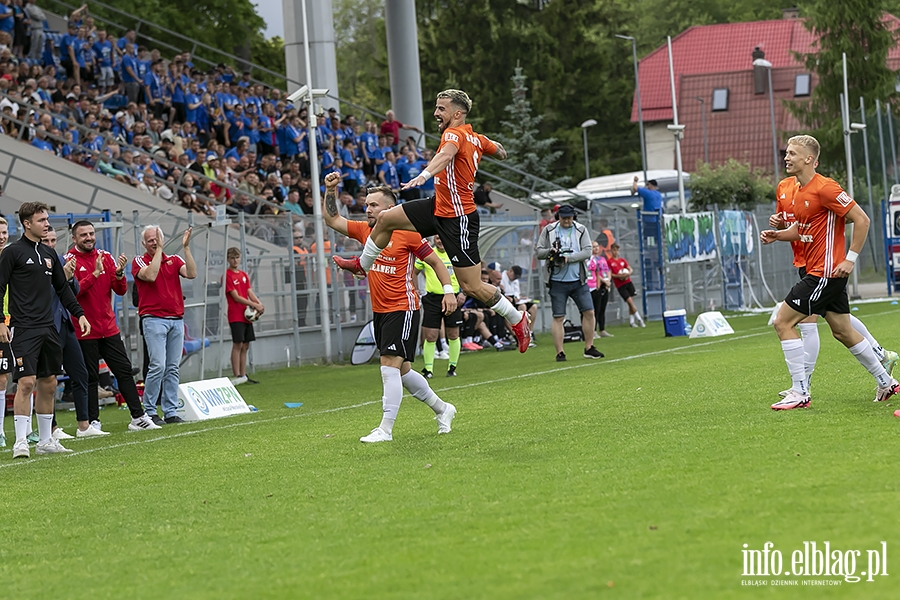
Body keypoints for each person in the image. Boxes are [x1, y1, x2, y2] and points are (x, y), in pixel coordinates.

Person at [334, 89, 532, 353]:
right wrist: (485, 145)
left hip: (458, 218)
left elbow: (446, 155)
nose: (437, 113)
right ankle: (363, 265)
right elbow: (502, 152)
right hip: (437, 207)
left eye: (442, 108)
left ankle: (517, 319)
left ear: (457, 113)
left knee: (472, 287)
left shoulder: (454, 133)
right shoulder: (474, 137)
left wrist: (424, 175)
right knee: (384, 219)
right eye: (436, 107)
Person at [761, 134, 899, 409]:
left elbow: (862, 219)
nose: (786, 157)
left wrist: (850, 259)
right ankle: (886, 382)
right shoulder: (798, 190)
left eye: (792, 153)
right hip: (817, 271)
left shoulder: (825, 187)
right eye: (786, 153)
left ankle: (801, 393)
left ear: (809, 159)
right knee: (842, 330)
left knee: (782, 322)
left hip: (824, 273)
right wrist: (779, 235)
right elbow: (802, 231)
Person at [322, 172, 457, 443]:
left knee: (388, 366)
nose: (368, 208)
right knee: (403, 371)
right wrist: (330, 190)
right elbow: (333, 219)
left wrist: (448, 290)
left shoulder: (407, 234)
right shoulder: (365, 230)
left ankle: (385, 429)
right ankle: (443, 409)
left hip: (403, 307)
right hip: (381, 310)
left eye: (374, 205)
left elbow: (436, 263)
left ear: (390, 209)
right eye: (367, 204)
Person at [0, 202, 91, 459]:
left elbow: (63, 290)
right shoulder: (12, 253)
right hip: (23, 328)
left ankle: (45, 440)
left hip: (49, 327)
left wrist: (79, 314)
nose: (47, 224)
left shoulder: (50, 254)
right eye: (41, 220)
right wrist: (0, 322)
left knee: (49, 383)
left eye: (47, 219)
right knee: (26, 382)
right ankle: (20, 441)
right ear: (27, 223)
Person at [66, 220, 161, 432]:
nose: (89, 238)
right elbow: (73, 292)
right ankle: (92, 422)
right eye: (84, 235)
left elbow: (119, 290)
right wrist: (95, 274)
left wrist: (118, 274)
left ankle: (138, 416)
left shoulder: (106, 256)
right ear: (74, 238)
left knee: (124, 371)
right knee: (90, 378)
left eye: (91, 233)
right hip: (84, 330)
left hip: (108, 327)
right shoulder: (69, 260)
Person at [132, 225, 197, 425]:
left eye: (157, 238)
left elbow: (192, 273)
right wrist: (159, 251)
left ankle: (170, 411)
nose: (154, 242)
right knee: (157, 365)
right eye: (150, 240)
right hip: (153, 319)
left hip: (176, 319)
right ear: (144, 243)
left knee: (172, 367)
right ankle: (150, 411)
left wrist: (186, 248)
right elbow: (151, 275)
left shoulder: (175, 260)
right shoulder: (139, 261)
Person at [43, 228, 100, 438]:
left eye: (53, 240)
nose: (51, 243)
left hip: (66, 323)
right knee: (48, 379)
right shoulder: (36, 262)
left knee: (80, 373)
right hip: (47, 326)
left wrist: (68, 278)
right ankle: (51, 428)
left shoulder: (59, 259)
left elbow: (73, 291)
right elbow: (38, 295)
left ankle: (83, 425)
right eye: (47, 240)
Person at [535, 204, 604, 362]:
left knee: (589, 312)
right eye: (563, 217)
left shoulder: (581, 229)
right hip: (557, 280)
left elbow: (587, 251)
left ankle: (589, 347)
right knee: (558, 316)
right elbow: (539, 252)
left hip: (578, 279)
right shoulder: (549, 230)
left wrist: (569, 258)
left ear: (573, 217)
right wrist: (551, 252)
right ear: (558, 216)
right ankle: (560, 352)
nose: (566, 220)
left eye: (569, 217)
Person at [415, 234, 465, 378]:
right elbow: (414, 271)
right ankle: (428, 369)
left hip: (452, 297)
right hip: (432, 299)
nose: (440, 241)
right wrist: (415, 288)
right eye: (437, 238)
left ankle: (452, 367)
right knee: (430, 335)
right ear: (434, 240)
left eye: (442, 238)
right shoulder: (427, 254)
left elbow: (466, 274)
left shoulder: (455, 254)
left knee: (453, 334)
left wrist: (464, 293)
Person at [225, 247, 264, 384]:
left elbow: (249, 292)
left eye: (237, 257)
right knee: (238, 344)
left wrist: (259, 304)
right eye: (232, 258)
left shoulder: (243, 275)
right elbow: (236, 297)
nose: (235, 260)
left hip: (246, 315)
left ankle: (243, 375)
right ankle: (237, 375)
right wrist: (253, 305)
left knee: (245, 345)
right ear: (228, 259)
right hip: (236, 314)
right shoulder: (227, 275)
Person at [607, 243, 645, 327]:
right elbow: (610, 274)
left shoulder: (622, 260)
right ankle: (639, 319)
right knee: (630, 302)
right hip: (620, 285)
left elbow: (630, 269)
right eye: (613, 250)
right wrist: (619, 276)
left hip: (628, 282)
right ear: (611, 251)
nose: (615, 252)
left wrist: (628, 274)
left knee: (631, 302)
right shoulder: (609, 262)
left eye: (617, 250)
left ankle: (631, 322)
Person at [587, 241, 613, 338]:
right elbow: (596, 273)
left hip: (605, 284)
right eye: (594, 247)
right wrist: (603, 282)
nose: (596, 249)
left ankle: (602, 329)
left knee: (602, 308)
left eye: (597, 246)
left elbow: (607, 270)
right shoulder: (591, 260)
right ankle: (593, 330)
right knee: (595, 309)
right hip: (598, 285)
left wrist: (608, 281)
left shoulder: (602, 259)